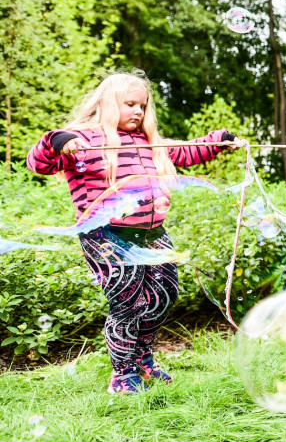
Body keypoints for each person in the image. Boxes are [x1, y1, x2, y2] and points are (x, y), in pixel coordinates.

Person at [26, 71, 239, 394]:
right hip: (106, 237)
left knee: (164, 295)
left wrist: (219, 139)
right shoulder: (84, 140)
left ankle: (143, 359)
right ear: (109, 103)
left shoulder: (148, 142)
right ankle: (123, 374)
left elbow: (188, 151)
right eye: (130, 104)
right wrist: (58, 143)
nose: (138, 112)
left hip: (152, 233)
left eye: (143, 105)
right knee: (127, 304)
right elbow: (39, 163)